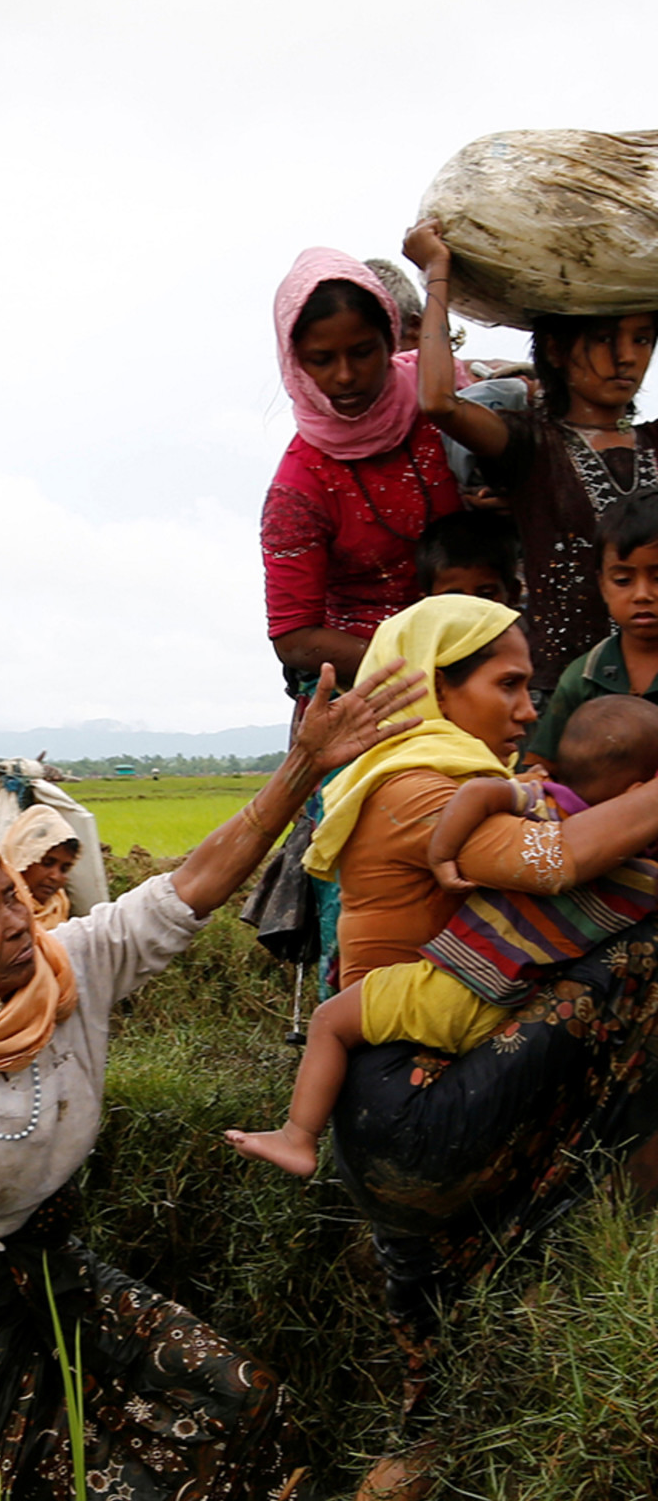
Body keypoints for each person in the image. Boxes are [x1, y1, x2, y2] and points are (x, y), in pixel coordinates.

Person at [0, 662, 425, 1501]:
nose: (16, 923)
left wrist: (301, 767)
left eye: (8, 897)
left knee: (238, 1399)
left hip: (51, 1255)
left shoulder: (72, 966)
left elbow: (193, 886)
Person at [276, 595, 658, 1497]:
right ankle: (625, 1204)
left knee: (436, 1361)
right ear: (432, 688)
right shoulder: (417, 789)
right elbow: (557, 862)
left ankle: (426, 1442)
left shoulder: (416, 773)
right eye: (510, 684)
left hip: (396, 1093)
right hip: (414, 1105)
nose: (530, 710)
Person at [226, 694, 658, 1177]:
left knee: (330, 1020)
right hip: (513, 1013)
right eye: (508, 685)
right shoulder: (643, 875)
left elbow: (478, 798)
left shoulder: (545, 805)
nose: (527, 711)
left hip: (451, 987)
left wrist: (444, 852)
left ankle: (298, 1137)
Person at [403, 217, 658, 698]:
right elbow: (438, 401)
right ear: (557, 350)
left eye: (642, 338)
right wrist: (437, 271)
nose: (625, 357)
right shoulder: (532, 448)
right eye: (604, 338)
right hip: (561, 693)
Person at [262, 247, 461, 697]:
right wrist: (422, 671)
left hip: (486, 663)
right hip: (370, 692)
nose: (346, 375)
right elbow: (295, 637)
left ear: (392, 339)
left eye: (362, 352)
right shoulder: (300, 487)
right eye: (322, 359)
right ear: (294, 361)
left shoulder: (447, 404)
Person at [529, 490, 658, 763]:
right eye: (623, 580)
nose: (642, 594)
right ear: (602, 585)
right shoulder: (583, 678)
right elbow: (539, 768)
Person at [414, 509, 522, 606]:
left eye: (485, 596)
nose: (471, 609)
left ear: (513, 594)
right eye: (453, 600)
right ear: (426, 603)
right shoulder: (410, 628)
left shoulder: (530, 628)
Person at [1, 804, 80, 929]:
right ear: (22, 858)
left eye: (64, 869)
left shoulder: (58, 904)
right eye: (47, 863)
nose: (56, 876)